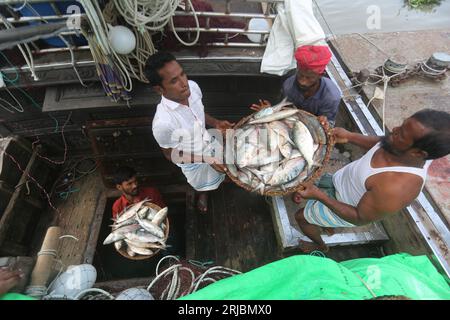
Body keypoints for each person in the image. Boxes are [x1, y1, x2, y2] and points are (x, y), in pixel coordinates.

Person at [293, 109, 450, 253]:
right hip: (339, 183)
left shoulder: (395, 188)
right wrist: (349, 136)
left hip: (346, 207)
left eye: (401, 134)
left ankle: (321, 245)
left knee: (301, 217)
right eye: (401, 126)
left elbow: (359, 218)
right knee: (318, 210)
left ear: (418, 153)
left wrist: (319, 196)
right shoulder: (396, 145)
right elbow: (381, 143)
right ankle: (327, 224)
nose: (394, 130)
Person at [146, 51, 235, 213]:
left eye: (182, 74)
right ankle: (203, 192)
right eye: (174, 81)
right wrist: (206, 159)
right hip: (193, 162)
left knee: (221, 170)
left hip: (208, 142)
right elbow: (169, 154)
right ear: (159, 89)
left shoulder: (193, 87)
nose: (184, 83)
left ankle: (212, 185)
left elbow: (199, 113)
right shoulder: (163, 123)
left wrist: (215, 122)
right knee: (201, 182)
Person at [251, 45, 341, 126]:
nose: (303, 82)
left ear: (321, 75)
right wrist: (270, 110)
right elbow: (286, 108)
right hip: (293, 122)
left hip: (313, 127)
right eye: (300, 75)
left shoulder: (331, 96)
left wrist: (324, 122)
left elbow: (330, 122)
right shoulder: (289, 85)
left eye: (309, 78)